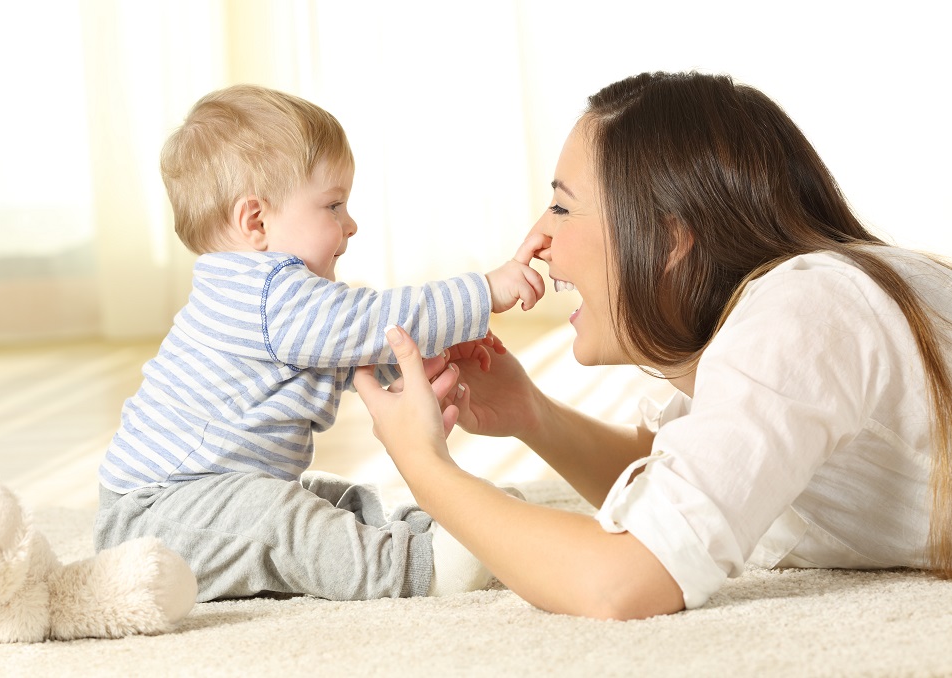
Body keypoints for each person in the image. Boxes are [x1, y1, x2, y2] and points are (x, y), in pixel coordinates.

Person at [354, 71, 952, 620]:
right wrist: (530, 413)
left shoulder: (805, 313)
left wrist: (424, 466)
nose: (538, 241)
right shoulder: (794, 314)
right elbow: (680, 477)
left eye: (562, 207)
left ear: (670, 237)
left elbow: (625, 581)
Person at [93, 84, 545, 602]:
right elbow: (365, 323)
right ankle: (419, 567)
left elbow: (350, 352)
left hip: (191, 501)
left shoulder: (280, 301)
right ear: (256, 221)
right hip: (154, 518)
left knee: (324, 499)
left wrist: (421, 360)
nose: (350, 225)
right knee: (281, 518)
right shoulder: (262, 293)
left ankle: (443, 528)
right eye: (333, 205)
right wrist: (482, 293)